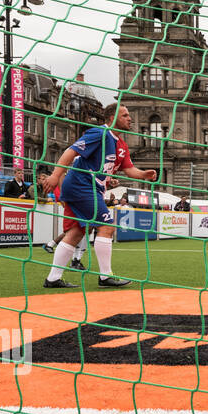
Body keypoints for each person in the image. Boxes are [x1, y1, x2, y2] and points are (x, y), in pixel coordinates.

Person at [39, 102, 156, 289]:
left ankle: (53, 278)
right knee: (107, 226)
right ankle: (105, 277)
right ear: (112, 118)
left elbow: (128, 168)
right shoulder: (99, 133)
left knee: (77, 232)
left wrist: (143, 174)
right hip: (81, 186)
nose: (130, 118)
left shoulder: (122, 145)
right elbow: (71, 151)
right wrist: (55, 175)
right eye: (125, 115)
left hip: (88, 188)